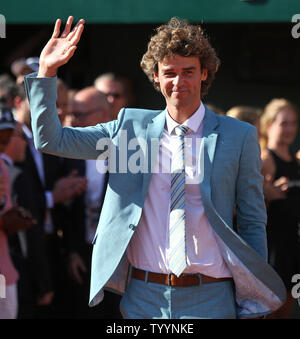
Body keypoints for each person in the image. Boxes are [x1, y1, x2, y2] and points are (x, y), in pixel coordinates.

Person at [24, 16, 286, 319]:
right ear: (156, 76)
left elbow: (253, 221)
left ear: (204, 74)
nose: (179, 82)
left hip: (213, 295)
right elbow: (51, 140)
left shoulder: (238, 136)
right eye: (170, 72)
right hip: (143, 296)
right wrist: (47, 71)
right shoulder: (128, 129)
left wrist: (255, 297)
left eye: (189, 72)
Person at [64, 86, 122, 318]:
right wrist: (71, 251)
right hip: (82, 256)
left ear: (105, 115)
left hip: (119, 260)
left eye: (81, 114)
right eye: (72, 114)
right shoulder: (67, 154)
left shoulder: (127, 152)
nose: (74, 121)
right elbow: (65, 211)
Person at [260, 98, 300, 318]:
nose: (289, 129)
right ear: (269, 125)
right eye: (284, 123)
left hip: (293, 247)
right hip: (272, 248)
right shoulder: (265, 159)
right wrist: (265, 191)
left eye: (293, 123)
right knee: (269, 312)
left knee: (286, 311)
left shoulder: (297, 160)